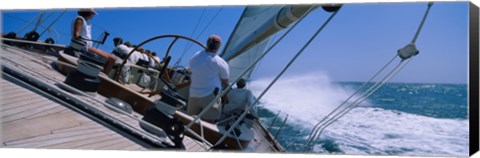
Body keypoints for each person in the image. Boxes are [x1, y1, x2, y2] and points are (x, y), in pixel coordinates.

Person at [186, 34, 229, 123]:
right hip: (210, 96)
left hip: (194, 93)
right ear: (218, 47)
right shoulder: (221, 62)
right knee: (209, 122)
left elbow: (191, 67)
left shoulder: (196, 56)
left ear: (207, 43)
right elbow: (225, 80)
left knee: (189, 119)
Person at [72, 8, 116, 74]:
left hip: (89, 47)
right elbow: (76, 35)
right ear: (88, 13)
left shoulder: (85, 22)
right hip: (85, 48)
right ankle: (100, 75)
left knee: (113, 59)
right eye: (93, 13)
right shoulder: (80, 19)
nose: (93, 15)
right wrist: (80, 39)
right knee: (106, 58)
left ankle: (103, 75)